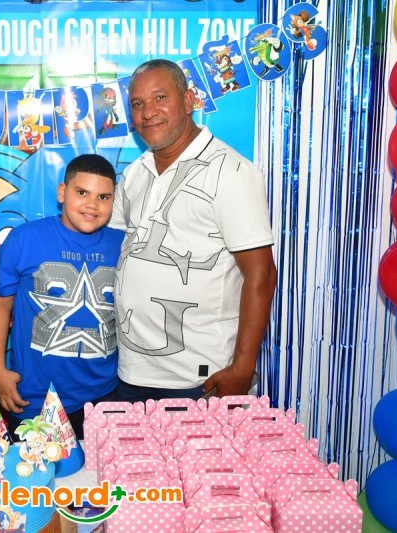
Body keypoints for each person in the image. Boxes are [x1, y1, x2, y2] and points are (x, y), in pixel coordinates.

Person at [111, 59, 277, 402]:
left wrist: (242, 367)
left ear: (188, 101)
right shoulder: (133, 174)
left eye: (160, 98)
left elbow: (261, 274)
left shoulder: (230, 172)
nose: (148, 113)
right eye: (138, 104)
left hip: (198, 378)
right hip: (128, 372)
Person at [0, 154, 124, 439]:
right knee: (34, 467)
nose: (92, 204)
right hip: (36, 397)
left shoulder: (121, 244)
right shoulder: (24, 239)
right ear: (62, 193)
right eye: (82, 192)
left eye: (103, 197)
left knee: (99, 468)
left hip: (104, 394)